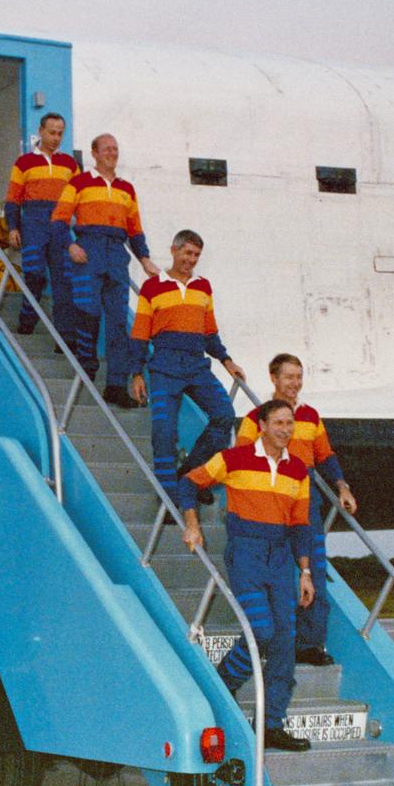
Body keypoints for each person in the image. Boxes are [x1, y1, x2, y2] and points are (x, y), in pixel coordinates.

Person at [179, 400, 315, 751]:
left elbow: (302, 527)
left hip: (281, 559)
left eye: (290, 423)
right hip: (246, 554)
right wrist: (192, 524)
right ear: (263, 426)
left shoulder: (298, 470)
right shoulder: (233, 458)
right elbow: (188, 483)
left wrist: (305, 572)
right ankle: (223, 685)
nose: (286, 429)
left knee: (284, 640)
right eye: (279, 423)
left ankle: (271, 725)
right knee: (261, 630)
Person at [235, 353, 358, 666]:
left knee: (313, 572)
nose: (295, 383)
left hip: (305, 504)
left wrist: (342, 486)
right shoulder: (255, 419)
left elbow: (325, 456)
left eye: (299, 377)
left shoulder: (311, 417)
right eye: (289, 377)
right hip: (269, 505)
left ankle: (308, 645)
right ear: (273, 378)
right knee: (267, 572)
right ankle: (265, 639)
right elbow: (240, 459)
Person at [128, 229, 243, 508]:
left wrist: (227, 361)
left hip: (196, 366)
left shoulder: (203, 287)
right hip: (165, 367)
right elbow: (141, 332)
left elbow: (210, 333)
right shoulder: (152, 286)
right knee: (163, 433)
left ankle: (189, 475)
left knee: (224, 415)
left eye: (196, 255)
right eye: (187, 253)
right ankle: (168, 499)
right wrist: (136, 373)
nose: (191, 260)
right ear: (174, 250)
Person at [49, 132, 158, 406]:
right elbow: (59, 220)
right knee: (87, 314)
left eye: (115, 149)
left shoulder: (127, 189)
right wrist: (70, 246)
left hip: (116, 256)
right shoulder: (78, 182)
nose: (112, 152)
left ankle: (116, 386)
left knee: (119, 323)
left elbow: (135, 230)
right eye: (106, 148)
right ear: (94, 153)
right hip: (89, 252)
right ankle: (86, 369)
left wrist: (144, 259)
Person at [5, 112, 80, 342]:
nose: (56, 137)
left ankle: (64, 339)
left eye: (60, 133)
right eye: (52, 132)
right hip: (33, 226)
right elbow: (13, 199)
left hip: (60, 228)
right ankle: (26, 323)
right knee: (34, 275)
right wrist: (13, 227)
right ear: (40, 131)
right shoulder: (23, 163)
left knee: (64, 282)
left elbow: (80, 198)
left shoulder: (69, 164)